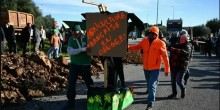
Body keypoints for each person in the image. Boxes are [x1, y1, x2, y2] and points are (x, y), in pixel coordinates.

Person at [128, 26, 170, 110]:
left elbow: (165, 57)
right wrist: (128, 47)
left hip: (155, 68)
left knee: (151, 86)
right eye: (151, 33)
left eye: (154, 34)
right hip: (146, 67)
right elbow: (137, 47)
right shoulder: (144, 41)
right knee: (149, 83)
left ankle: (150, 104)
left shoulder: (161, 43)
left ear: (157, 35)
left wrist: (167, 69)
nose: (152, 35)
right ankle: (154, 83)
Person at [65, 25, 94, 108]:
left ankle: (92, 98)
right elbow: (70, 51)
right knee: (71, 82)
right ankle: (71, 101)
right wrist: (82, 49)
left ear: (80, 31)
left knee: (89, 82)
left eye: (75, 32)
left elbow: (92, 48)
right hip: (74, 64)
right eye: (72, 32)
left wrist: (89, 50)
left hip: (85, 64)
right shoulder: (71, 39)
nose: (73, 34)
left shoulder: (87, 38)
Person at [167, 32, 192, 99]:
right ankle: (174, 93)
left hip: (182, 67)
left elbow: (184, 52)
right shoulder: (177, 45)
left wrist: (174, 50)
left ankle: (183, 89)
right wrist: (167, 46)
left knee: (179, 81)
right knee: (173, 81)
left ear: (186, 39)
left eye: (183, 39)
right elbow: (170, 47)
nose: (181, 40)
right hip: (174, 65)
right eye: (181, 38)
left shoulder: (188, 46)